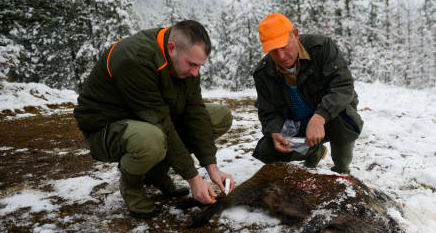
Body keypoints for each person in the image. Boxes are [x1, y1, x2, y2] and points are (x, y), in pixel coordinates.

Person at [74, 20, 234, 218]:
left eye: (199, 66)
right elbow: (162, 124)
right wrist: (193, 179)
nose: (195, 73)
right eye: (192, 64)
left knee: (219, 116)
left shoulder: (186, 61)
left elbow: (195, 113)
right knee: (152, 139)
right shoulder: (135, 59)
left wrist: (211, 166)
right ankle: (131, 185)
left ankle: (156, 173)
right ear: (171, 48)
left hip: (150, 121)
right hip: (106, 129)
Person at [252, 13, 363, 174]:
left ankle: (341, 168)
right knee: (267, 150)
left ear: (295, 35)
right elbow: (268, 112)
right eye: (273, 52)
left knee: (342, 115)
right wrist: (275, 131)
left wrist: (320, 117)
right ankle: (314, 151)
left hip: (330, 116)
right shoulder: (263, 72)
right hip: (296, 121)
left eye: (284, 47)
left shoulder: (322, 47)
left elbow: (343, 86)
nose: (281, 56)